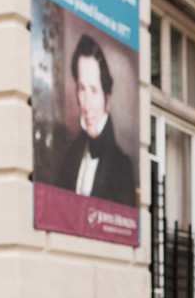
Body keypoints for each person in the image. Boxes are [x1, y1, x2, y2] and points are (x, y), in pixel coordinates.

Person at [59, 34, 137, 207]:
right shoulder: (71, 156)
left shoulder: (122, 168)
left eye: (93, 90)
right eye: (81, 89)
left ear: (106, 98)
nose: (86, 105)